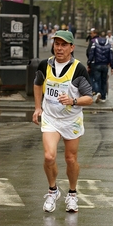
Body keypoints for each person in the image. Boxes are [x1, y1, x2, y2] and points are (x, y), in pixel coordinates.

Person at [32, 30, 93, 213]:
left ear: (71, 47)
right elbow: (37, 83)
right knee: (49, 156)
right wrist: (37, 107)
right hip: (50, 118)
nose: (59, 48)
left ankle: (72, 194)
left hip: (71, 119)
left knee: (70, 159)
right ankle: (52, 191)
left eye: (63, 45)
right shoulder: (45, 65)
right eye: (57, 44)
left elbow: (89, 98)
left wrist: (73, 101)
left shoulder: (78, 69)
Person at [88, 32, 113, 103]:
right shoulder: (109, 44)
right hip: (105, 65)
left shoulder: (95, 43)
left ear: (99, 36)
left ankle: (98, 92)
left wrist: (89, 64)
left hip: (97, 64)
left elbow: (91, 54)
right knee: (104, 81)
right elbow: (111, 56)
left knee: (97, 80)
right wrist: (112, 67)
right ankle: (103, 97)